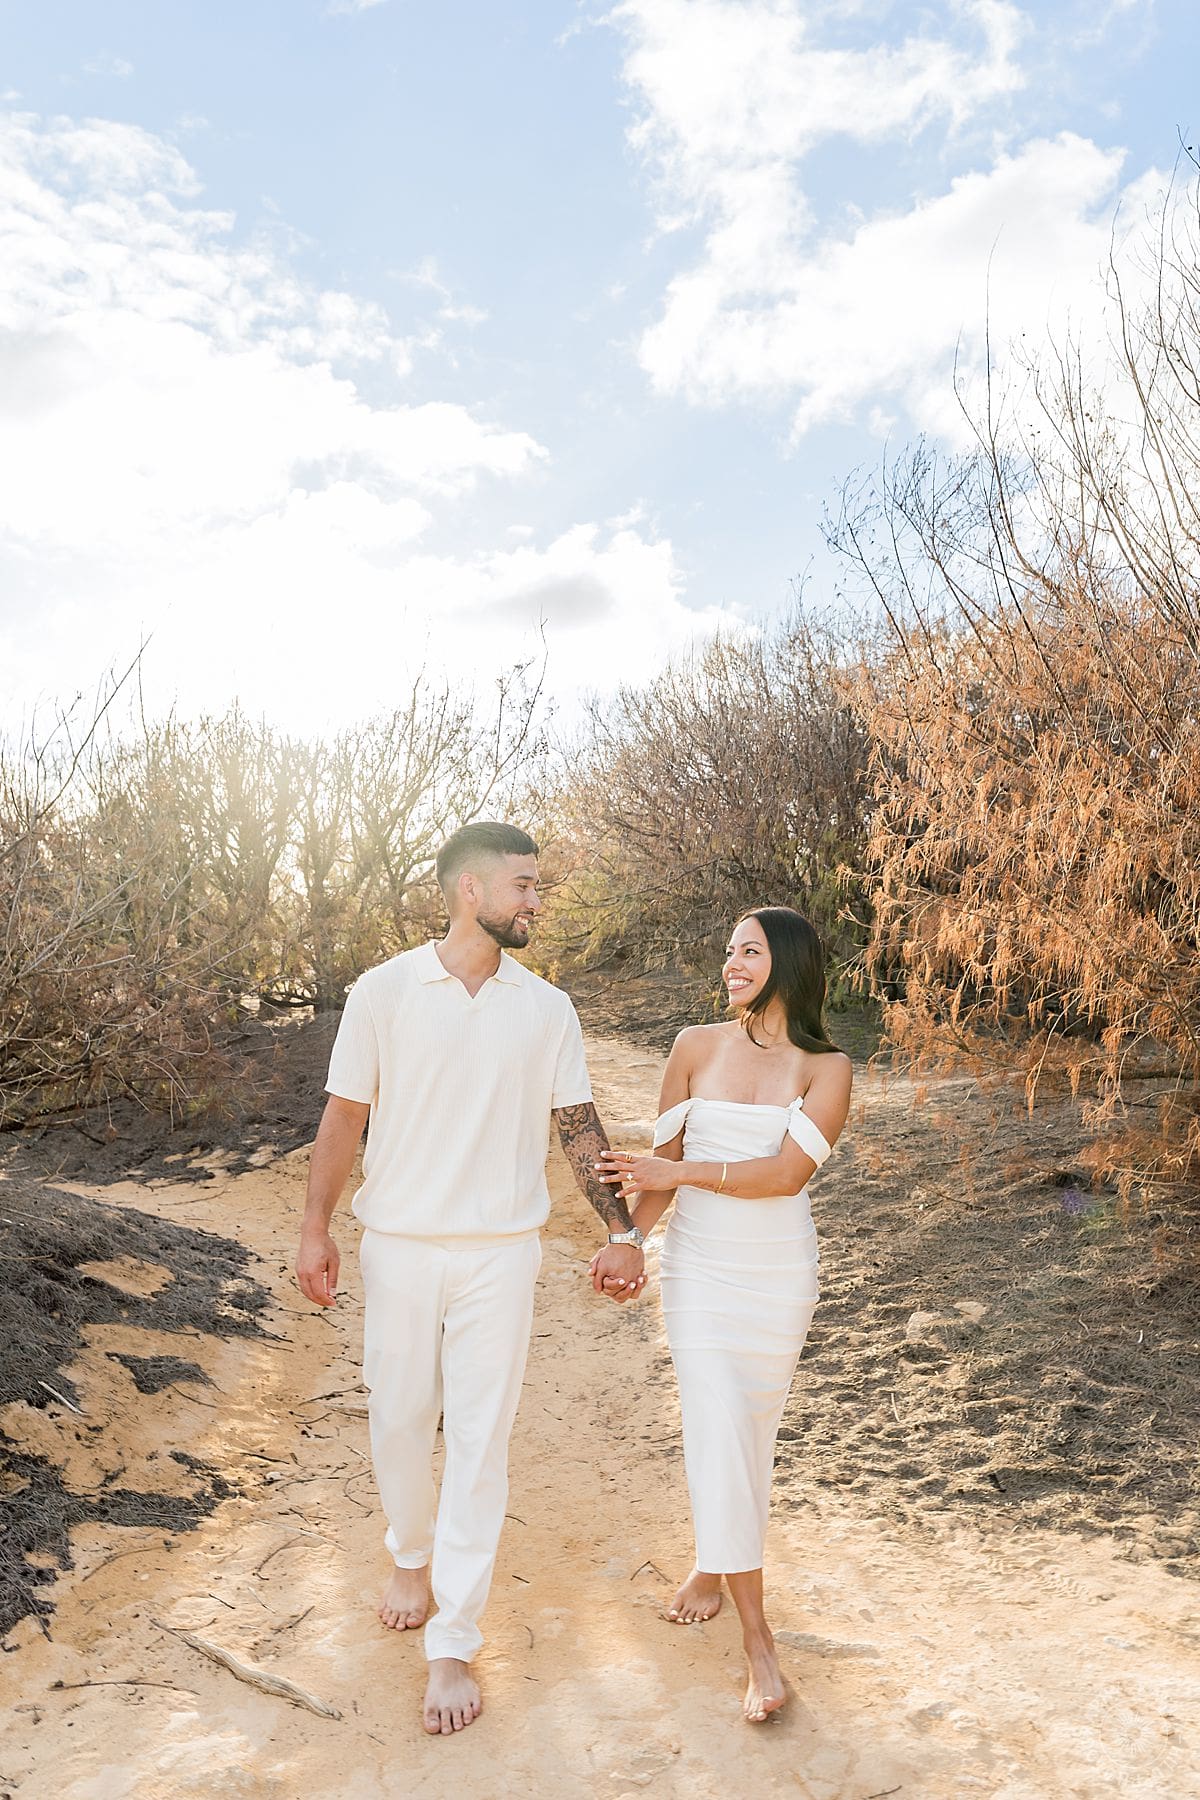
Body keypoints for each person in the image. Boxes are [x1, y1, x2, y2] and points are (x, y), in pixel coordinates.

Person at [295, 822, 645, 1737]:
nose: (537, 900)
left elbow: (579, 1125)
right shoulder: (382, 992)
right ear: (470, 892)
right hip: (400, 1245)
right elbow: (343, 1118)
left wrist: (624, 1230)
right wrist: (314, 1227)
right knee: (401, 1416)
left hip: (501, 1253)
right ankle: (408, 1554)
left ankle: (452, 1637)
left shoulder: (548, 1008)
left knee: (481, 1441)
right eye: (524, 886)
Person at [594, 906, 851, 1725]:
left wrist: (685, 1168)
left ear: (791, 965)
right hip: (700, 1269)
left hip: (778, 1275)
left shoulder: (828, 1065)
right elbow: (659, 1170)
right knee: (716, 1424)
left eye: (750, 951)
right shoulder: (693, 1047)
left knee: (749, 1432)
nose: (733, 963)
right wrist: (632, 1235)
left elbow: (783, 1176)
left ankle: (714, 1561)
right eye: (729, 951)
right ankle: (759, 1643)